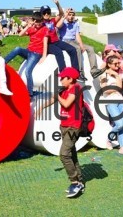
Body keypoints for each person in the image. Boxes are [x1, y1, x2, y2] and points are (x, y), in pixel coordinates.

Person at [38, 67, 85, 198]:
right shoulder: (65, 89)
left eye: (63, 78)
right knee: (71, 154)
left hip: (73, 127)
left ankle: (75, 182)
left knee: (64, 154)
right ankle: (80, 181)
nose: (61, 80)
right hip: (64, 126)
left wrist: (57, 94)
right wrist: (41, 107)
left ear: (70, 79)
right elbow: (54, 100)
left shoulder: (76, 88)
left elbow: (66, 103)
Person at [3, 12, 49, 97]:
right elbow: (20, 35)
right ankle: (3, 62)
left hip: (36, 53)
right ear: (34, 21)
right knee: (17, 49)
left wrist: (44, 56)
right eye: (36, 22)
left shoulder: (45, 29)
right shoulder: (32, 28)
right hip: (29, 51)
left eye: (40, 22)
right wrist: (28, 26)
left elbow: (45, 42)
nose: (38, 24)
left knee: (28, 71)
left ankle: (30, 92)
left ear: (42, 21)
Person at [100, 56, 123, 156]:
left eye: (118, 63)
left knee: (122, 125)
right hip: (110, 101)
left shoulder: (118, 75)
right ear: (109, 64)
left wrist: (116, 76)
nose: (117, 65)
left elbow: (119, 88)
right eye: (115, 63)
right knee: (119, 124)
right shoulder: (104, 75)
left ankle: (122, 147)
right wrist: (115, 88)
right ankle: (109, 139)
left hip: (120, 100)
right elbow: (105, 90)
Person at [58, 8, 98, 80]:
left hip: (74, 41)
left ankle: (94, 70)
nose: (71, 16)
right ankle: (80, 73)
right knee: (77, 48)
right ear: (66, 15)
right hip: (65, 41)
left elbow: (77, 35)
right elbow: (58, 26)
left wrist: (82, 45)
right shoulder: (63, 22)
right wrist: (64, 16)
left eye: (72, 15)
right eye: (69, 15)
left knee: (90, 48)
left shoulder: (76, 24)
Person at [40, 0, 79, 72]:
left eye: (48, 12)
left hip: (56, 41)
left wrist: (57, 4)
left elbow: (61, 14)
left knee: (73, 49)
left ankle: (75, 72)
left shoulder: (52, 21)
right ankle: (63, 73)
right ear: (41, 14)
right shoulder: (41, 23)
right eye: (44, 13)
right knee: (59, 52)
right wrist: (44, 55)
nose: (46, 14)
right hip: (48, 44)